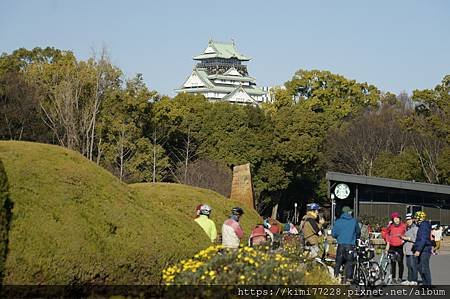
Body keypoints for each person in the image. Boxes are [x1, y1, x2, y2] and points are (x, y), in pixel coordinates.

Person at [332, 206, 360, 284]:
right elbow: (358, 232)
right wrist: (355, 237)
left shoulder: (338, 221)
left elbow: (333, 234)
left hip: (340, 245)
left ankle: (336, 278)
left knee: (338, 262)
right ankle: (348, 280)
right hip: (350, 245)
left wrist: (339, 237)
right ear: (349, 212)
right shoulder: (354, 221)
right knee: (350, 262)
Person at [385, 212, 406, 284]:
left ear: (400, 219)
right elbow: (386, 234)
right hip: (392, 246)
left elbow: (407, 233)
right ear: (392, 220)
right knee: (393, 263)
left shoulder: (404, 226)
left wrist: (404, 240)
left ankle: (400, 277)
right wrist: (387, 244)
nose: (396, 220)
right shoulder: (390, 226)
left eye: (397, 219)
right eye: (395, 219)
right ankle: (393, 278)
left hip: (400, 246)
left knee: (400, 263)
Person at [413, 211, 433, 286]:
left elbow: (423, 239)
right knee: (420, 267)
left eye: (415, 218)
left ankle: (428, 285)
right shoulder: (422, 225)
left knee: (424, 268)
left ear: (419, 218)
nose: (414, 220)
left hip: (424, 250)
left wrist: (418, 250)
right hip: (422, 249)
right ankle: (425, 283)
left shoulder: (424, 225)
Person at [401, 213, 418, 285]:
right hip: (407, 250)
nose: (408, 221)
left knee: (413, 265)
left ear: (413, 220)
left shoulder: (415, 228)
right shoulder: (407, 228)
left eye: (409, 219)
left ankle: (414, 280)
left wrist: (406, 238)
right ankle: (409, 279)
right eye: (407, 220)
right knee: (408, 266)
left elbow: (416, 239)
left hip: (412, 250)